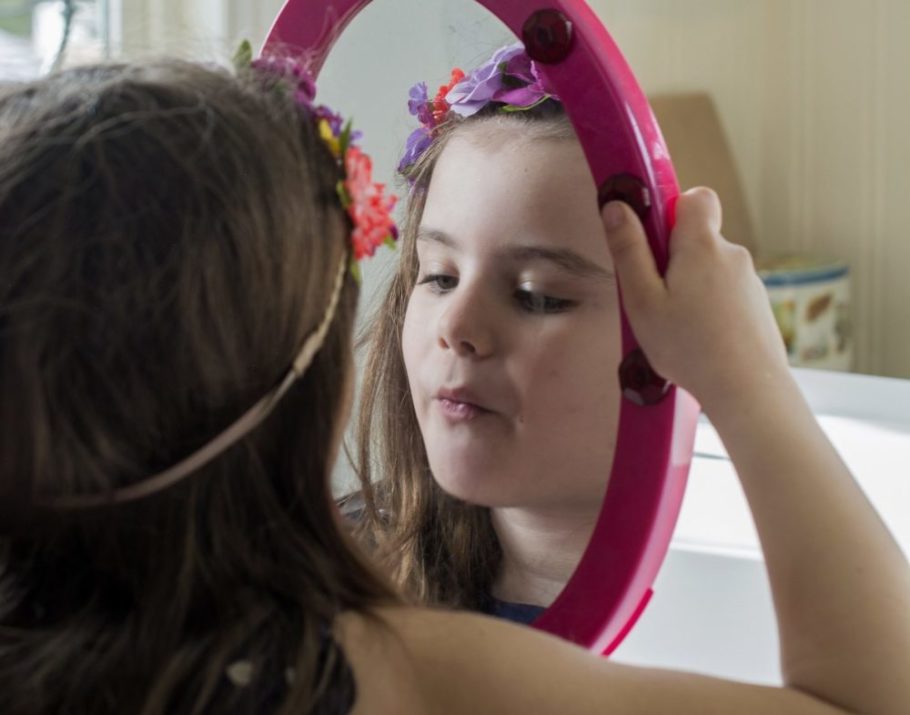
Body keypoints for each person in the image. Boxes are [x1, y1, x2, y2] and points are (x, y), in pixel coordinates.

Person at [0, 51, 907, 715]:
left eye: (539, 294)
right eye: (431, 275)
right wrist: (752, 379)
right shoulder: (391, 668)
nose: (454, 326)